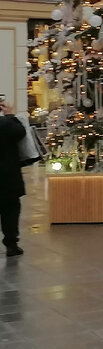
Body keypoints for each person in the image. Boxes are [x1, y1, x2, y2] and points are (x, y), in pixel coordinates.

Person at [0, 100, 27, 257]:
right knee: (10, 210)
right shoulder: (6, 124)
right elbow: (20, 133)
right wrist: (10, 114)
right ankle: (11, 243)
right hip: (7, 176)